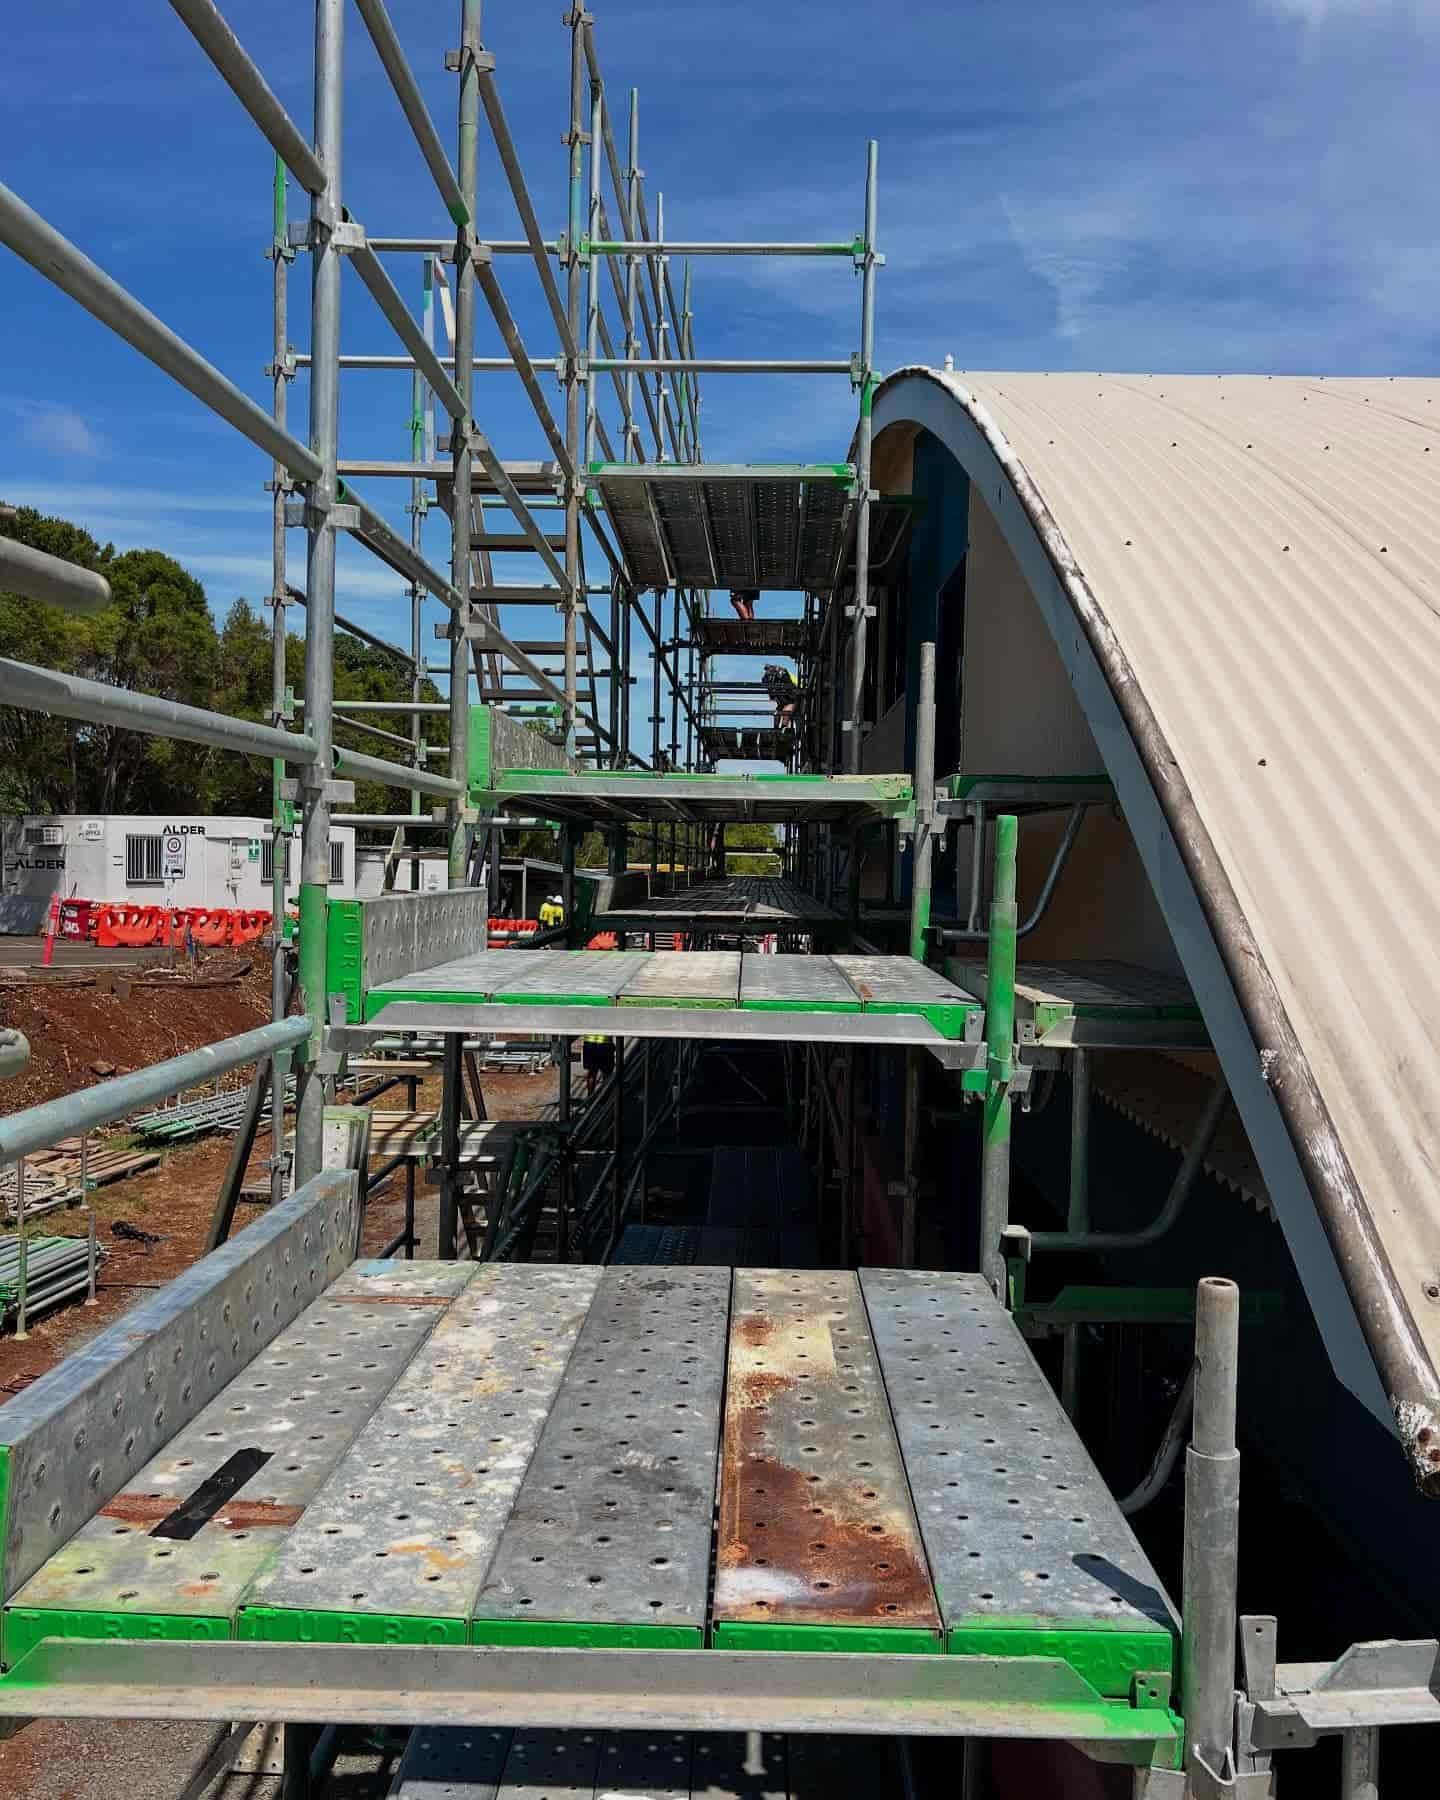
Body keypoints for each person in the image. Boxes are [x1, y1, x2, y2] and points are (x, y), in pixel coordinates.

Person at [761, 662, 799, 732]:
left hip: (797, 698)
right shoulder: (768, 679)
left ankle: (783, 730)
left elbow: (793, 692)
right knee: (776, 714)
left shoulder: (782, 674)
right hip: (785, 700)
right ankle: (775, 732)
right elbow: (773, 697)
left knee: (786, 711)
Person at [582, 1032, 614, 1097]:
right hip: (605, 1042)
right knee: (606, 1073)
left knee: (592, 1072)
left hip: (589, 1042)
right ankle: (606, 1097)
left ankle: (590, 1097)